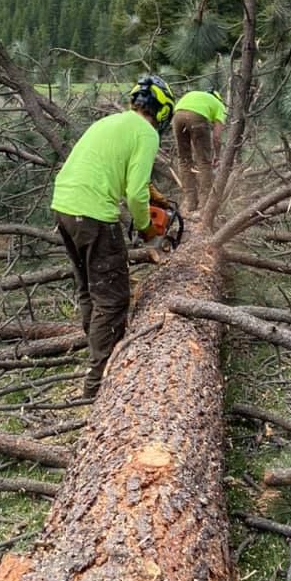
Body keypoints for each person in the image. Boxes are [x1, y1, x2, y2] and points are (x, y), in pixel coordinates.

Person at [51, 74, 175, 400]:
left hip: (64, 206)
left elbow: (123, 172)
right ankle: (99, 385)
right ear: (163, 112)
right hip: (93, 214)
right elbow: (134, 194)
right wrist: (149, 231)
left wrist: (157, 197)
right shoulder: (147, 133)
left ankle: (96, 351)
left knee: (90, 289)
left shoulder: (112, 123)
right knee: (114, 298)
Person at [172, 87, 227, 216]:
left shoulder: (195, 95)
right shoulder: (219, 105)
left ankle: (190, 203)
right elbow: (217, 137)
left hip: (177, 116)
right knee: (204, 162)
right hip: (197, 117)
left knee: (184, 160)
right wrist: (217, 156)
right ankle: (204, 204)